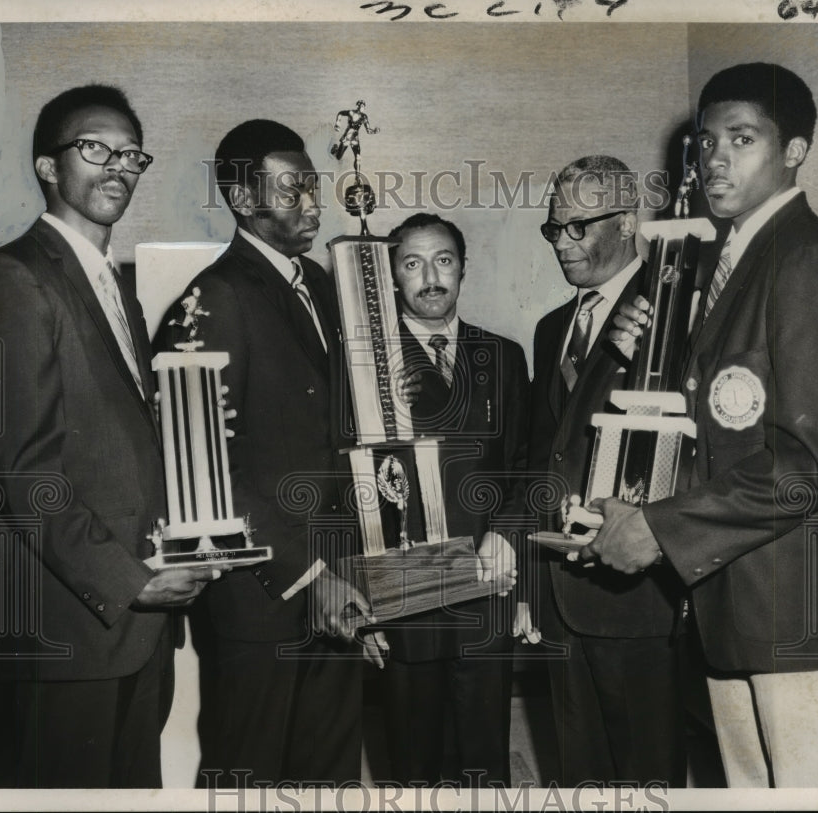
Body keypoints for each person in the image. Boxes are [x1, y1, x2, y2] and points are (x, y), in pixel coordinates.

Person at [599, 62, 818, 787]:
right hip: (741, 609)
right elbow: (725, 430)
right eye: (706, 140)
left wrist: (660, 527)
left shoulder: (809, 260)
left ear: (793, 151)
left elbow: (812, 460)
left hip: (799, 616)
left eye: (743, 137)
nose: (714, 157)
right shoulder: (733, 262)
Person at [0, 84, 224, 788]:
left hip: (133, 634)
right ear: (48, 167)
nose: (117, 166)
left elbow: (121, 446)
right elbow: (21, 474)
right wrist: (134, 580)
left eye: (131, 154)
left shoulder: (113, 284)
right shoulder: (12, 279)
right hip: (73, 631)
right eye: (95, 148)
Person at [158, 119, 374, 787]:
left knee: (327, 773)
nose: (312, 204)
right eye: (291, 191)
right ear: (239, 196)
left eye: (312, 186)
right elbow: (199, 469)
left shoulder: (326, 283)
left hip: (337, 581)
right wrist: (309, 574)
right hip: (261, 597)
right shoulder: (213, 297)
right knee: (248, 776)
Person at [524, 156, 687, 786]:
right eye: (553, 229)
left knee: (646, 777)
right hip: (561, 594)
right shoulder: (551, 328)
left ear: (627, 221)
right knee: (577, 777)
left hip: (637, 597)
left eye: (578, 228)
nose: (562, 245)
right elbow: (549, 454)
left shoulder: (675, 308)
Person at [362, 213, 529, 786]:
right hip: (407, 586)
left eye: (443, 261)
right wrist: (365, 598)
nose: (430, 277)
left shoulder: (504, 356)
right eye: (412, 263)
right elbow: (351, 487)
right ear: (391, 277)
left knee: (485, 759)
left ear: (462, 268)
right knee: (414, 765)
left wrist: (507, 533)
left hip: (487, 579)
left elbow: (524, 465)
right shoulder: (369, 363)